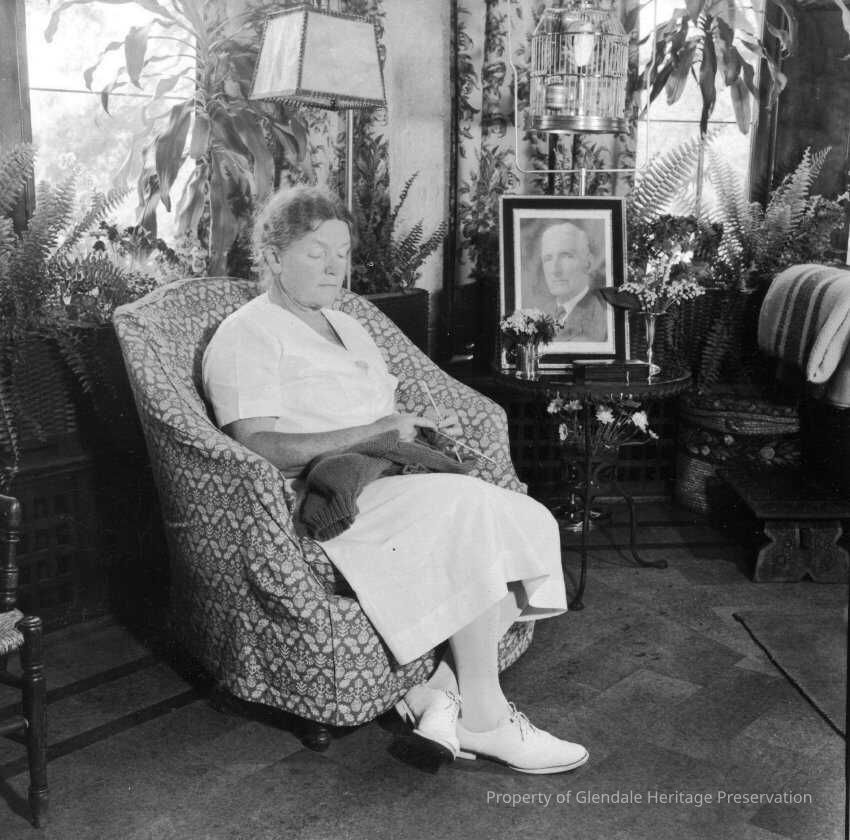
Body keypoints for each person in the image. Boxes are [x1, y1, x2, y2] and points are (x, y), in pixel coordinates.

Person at [202, 185, 588, 775]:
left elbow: (379, 415)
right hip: (333, 497)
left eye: (342, 253)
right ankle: (486, 719)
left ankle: (439, 696)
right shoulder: (247, 334)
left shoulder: (348, 325)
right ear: (274, 257)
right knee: (469, 510)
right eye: (316, 252)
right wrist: (378, 430)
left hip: (393, 475)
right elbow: (256, 447)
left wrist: (413, 427)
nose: (334, 267)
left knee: (532, 519)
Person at [538, 222, 608, 343]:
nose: (555, 270)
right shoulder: (541, 314)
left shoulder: (603, 317)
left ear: (588, 263)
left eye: (566, 256)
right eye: (548, 259)